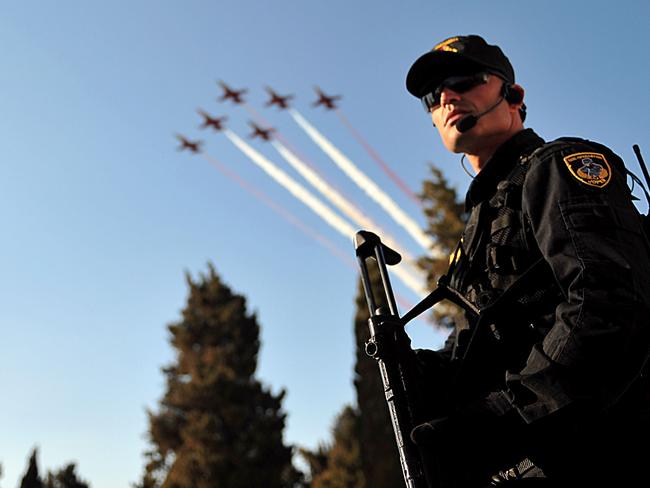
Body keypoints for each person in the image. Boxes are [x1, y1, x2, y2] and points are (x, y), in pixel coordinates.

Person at [403, 35, 650, 487]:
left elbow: (609, 304)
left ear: (514, 96)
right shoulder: (482, 219)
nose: (447, 97)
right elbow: (486, 341)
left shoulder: (557, 167)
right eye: (432, 97)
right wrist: (419, 374)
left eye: (463, 80)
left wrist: (503, 417)